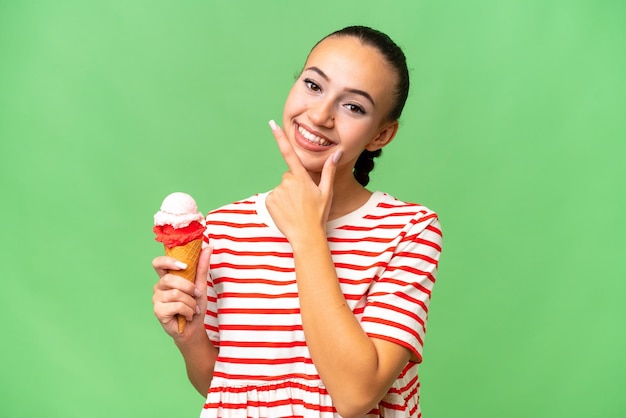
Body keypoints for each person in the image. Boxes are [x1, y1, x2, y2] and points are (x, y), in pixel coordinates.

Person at [152, 25, 443, 418]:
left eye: (353, 106)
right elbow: (227, 389)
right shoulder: (223, 229)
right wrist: (190, 338)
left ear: (381, 135)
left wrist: (308, 234)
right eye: (313, 85)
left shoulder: (407, 231)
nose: (320, 114)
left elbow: (357, 395)